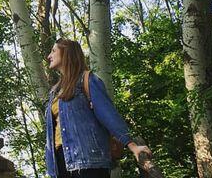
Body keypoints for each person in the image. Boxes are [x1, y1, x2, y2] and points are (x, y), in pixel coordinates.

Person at [45, 38, 151, 178]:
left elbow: (108, 114)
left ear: (66, 53)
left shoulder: (86, 80)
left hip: (88, 160)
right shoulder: (54, 91)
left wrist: (132, 146)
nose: (48, 56)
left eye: (53, 51)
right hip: (60, 163)